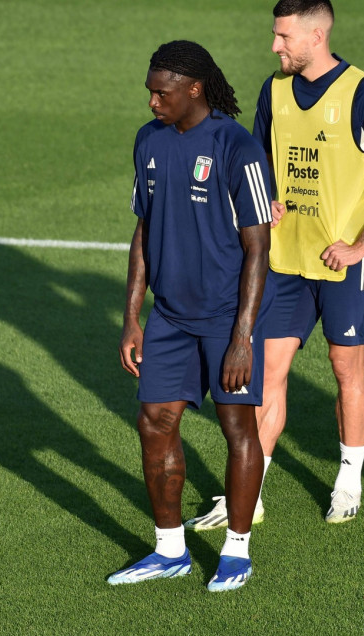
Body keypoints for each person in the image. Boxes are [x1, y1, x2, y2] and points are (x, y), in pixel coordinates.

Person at [186, 0, 364, 530]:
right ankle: (250, 490)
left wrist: (360, 246)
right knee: (267, 374)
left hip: (340, 261)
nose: (275, 46)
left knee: (344, 366)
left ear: (316, 36)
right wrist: (268, 201)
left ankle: (349, 479)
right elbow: (261, 161)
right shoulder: (275, 90)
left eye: (283, 37)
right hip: (284, 259)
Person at [108, 40, 274, 592]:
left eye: (163, 93)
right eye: (150, 92)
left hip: (228, 318)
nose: (153, 102)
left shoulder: (236, 146)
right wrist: (133, 316)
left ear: (195, 88)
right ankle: (170, 548)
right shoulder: (148, 141)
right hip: (170, 318)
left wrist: (244, 338)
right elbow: (142, 232)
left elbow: (258, 248)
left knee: (236, 427)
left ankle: (236, 550)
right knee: (154, 422)